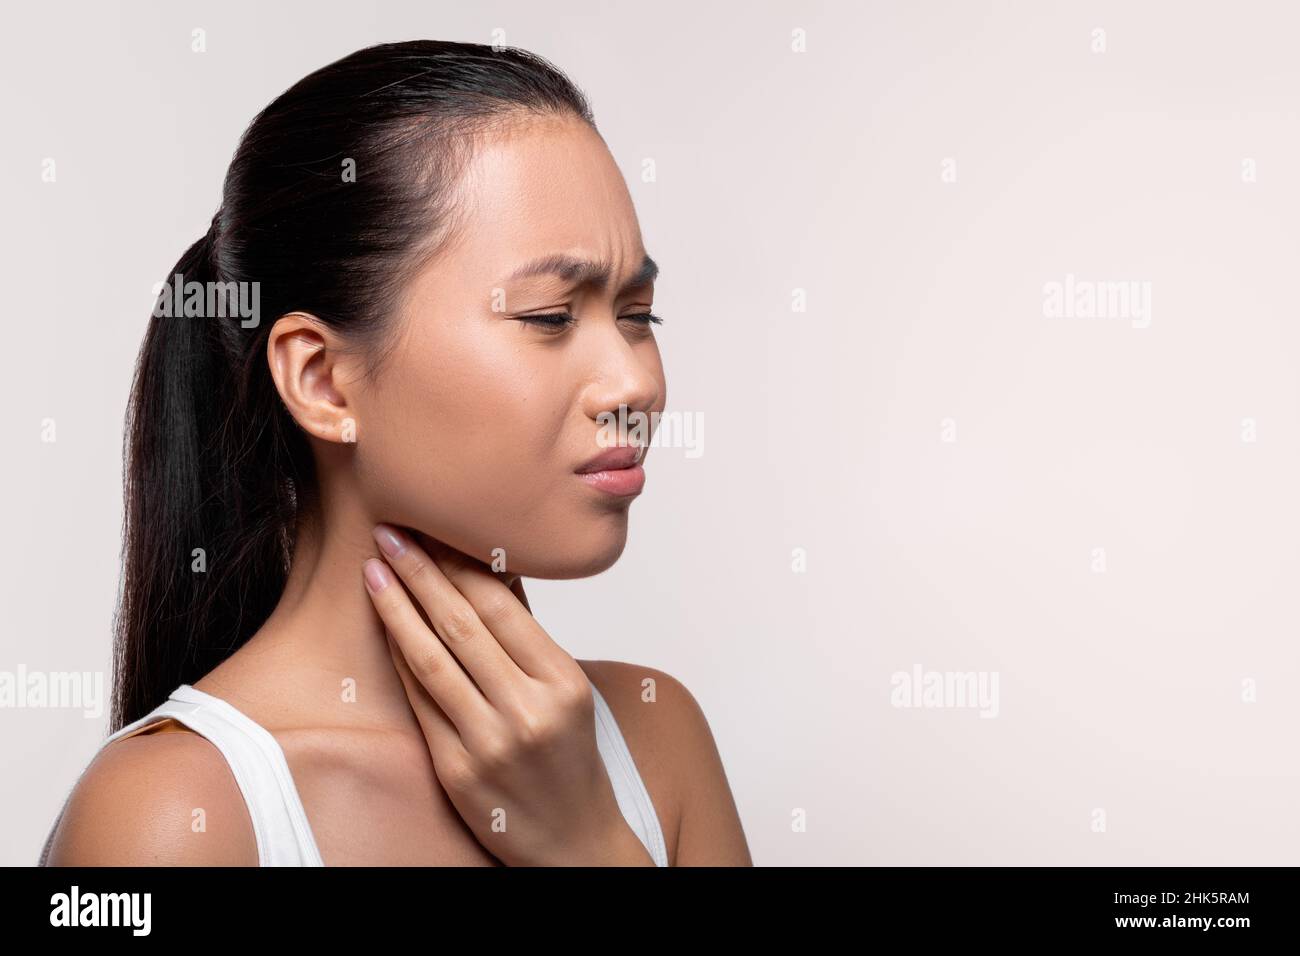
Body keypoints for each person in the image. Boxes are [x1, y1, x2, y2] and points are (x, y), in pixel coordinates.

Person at [40, 39, 750, 867]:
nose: (635, 383)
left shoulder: (658, 738)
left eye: (638, 314)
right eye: (551, 317)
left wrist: (591, 844)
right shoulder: (171, 815)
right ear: (323, 381)